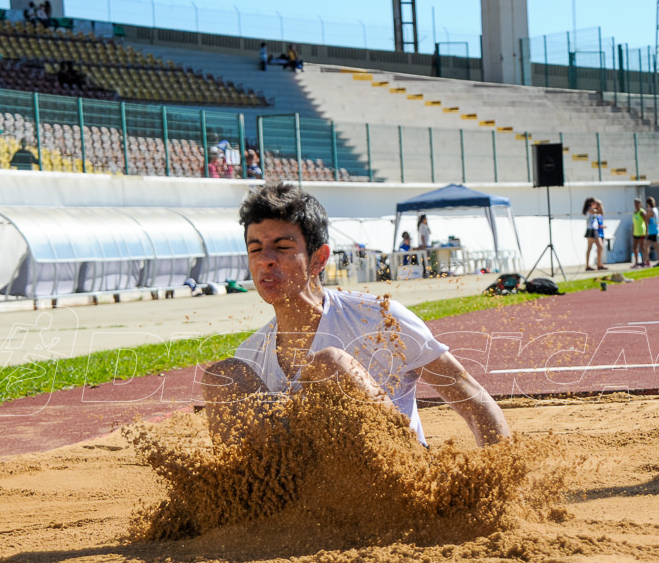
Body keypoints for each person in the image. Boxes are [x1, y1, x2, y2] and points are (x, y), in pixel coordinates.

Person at [201, 183, 511, 448]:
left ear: (319, 258)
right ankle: (253, 514)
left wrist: (502, 478)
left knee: (329, 365)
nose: (266, 261)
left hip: (397, 484)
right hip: (311, 498)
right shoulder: (252, 355)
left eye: (282, 247)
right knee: (224, 377)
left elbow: (466, 393)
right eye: (256, 250)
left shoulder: (379, 319)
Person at [582, 197, 607, 270]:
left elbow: (600, 215)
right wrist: (600, 205)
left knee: (593, 247)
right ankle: (596, 265)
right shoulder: (590, 210)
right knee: (599, 246)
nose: (596, 204)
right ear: (591, 203)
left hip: (594, 229)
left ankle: (595, 264)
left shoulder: (592, 210)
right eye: (595, 202)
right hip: (592, 230)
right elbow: (599, 212)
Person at [645, 196, 659, 266]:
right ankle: (647, 260)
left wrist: (647, 214)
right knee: (647, 245)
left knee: (655, 246)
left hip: (653, 230)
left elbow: (647, 220)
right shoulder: (655, 209)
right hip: (654, 229)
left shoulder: (651, 211)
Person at [631, 198, 648, 268]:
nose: (636, 205)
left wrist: (647, 231)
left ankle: (644, 261)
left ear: (640, 204)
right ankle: (636, 262)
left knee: (642, 247)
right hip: (636, 232)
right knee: (634, 247)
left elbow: (646, 222)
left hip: (641, 231)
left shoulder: (642, 212)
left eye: (637, 203)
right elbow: (634, 223)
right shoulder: (634, 212)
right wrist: (633, 231)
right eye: (635, 203)